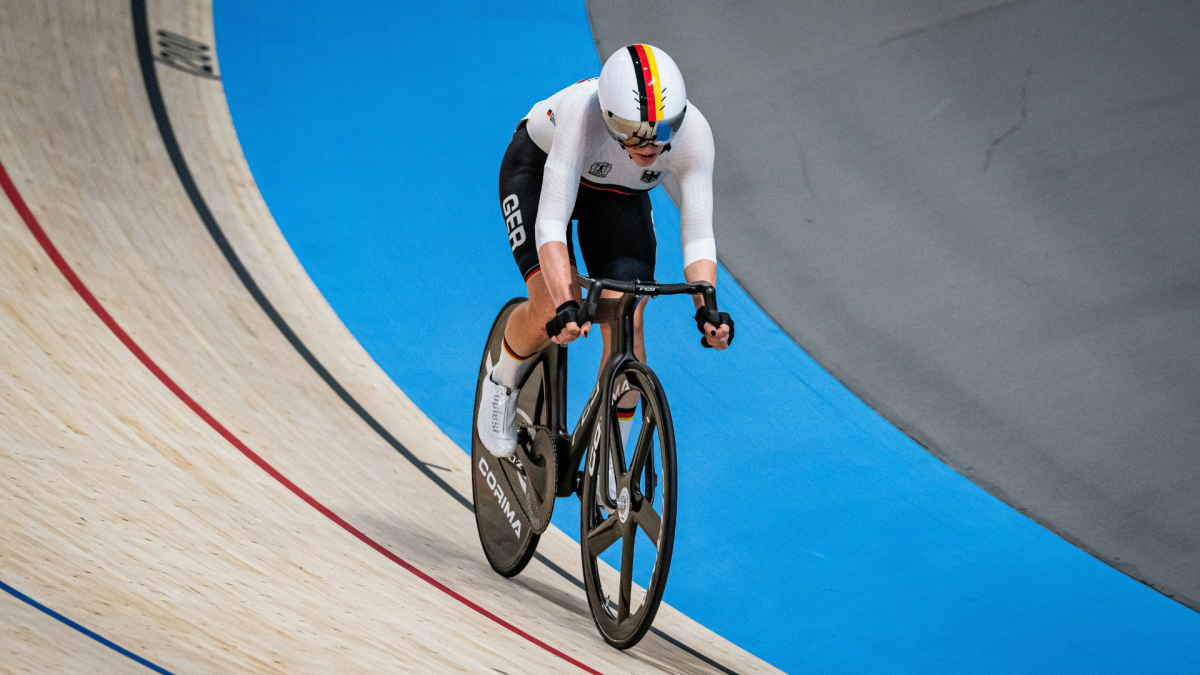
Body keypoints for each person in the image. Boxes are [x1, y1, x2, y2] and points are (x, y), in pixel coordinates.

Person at [478, 44, 733, 458]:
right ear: (610, 120)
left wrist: (708, 305)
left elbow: (699, 234)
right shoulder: (583, 116)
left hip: (617, 195)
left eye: (663, 130)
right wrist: (564, 302)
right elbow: (550, 224)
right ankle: (501, 381)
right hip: (539, 171)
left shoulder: (695, 133)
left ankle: (611, 459)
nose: (650, 146)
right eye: (634, 134)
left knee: (626, 320)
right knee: (549, 308)